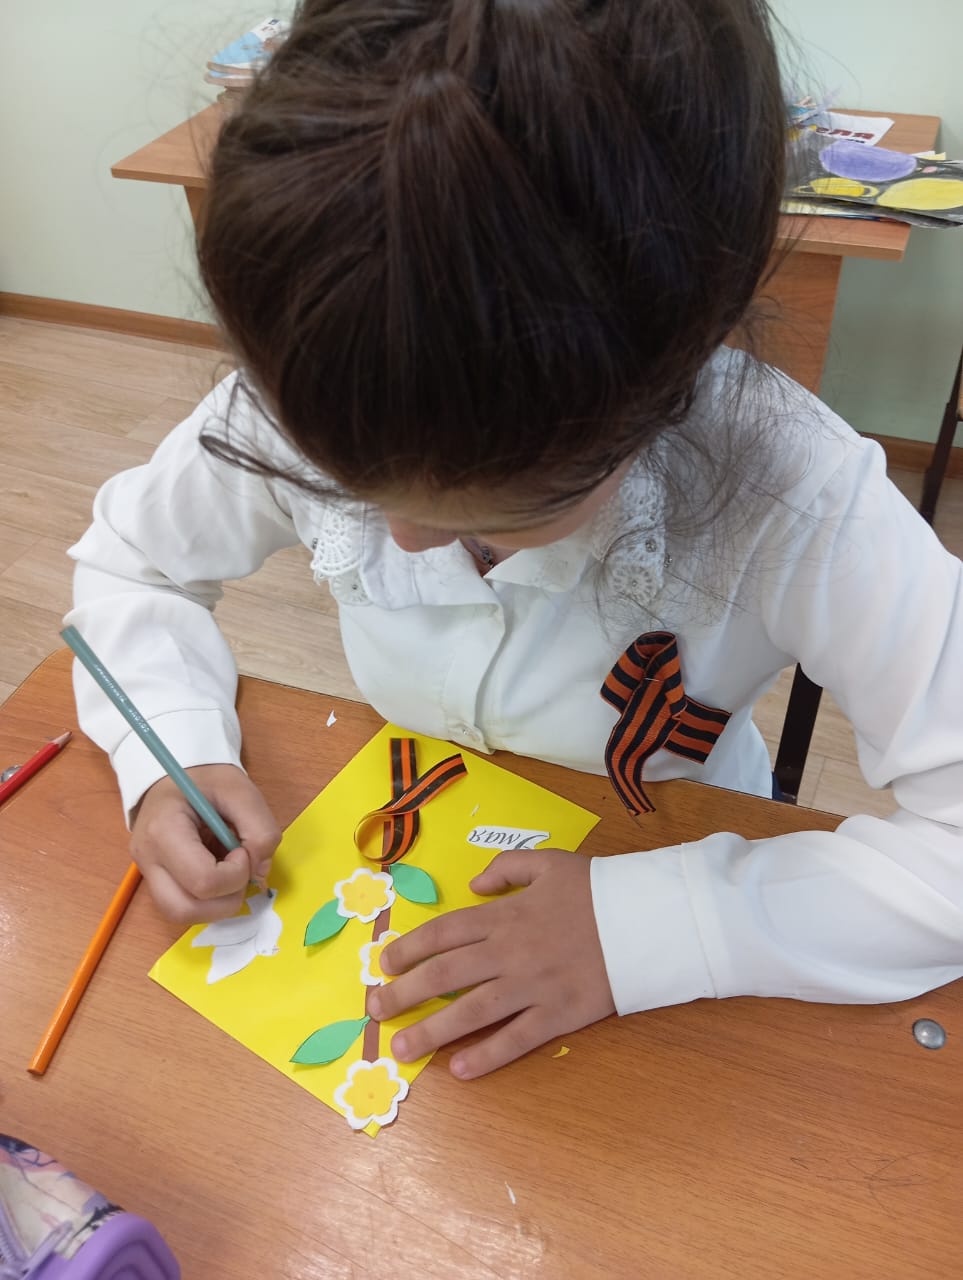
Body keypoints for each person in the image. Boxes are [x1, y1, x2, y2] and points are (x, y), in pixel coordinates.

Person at [67, 0, 963, 1082]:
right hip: (415, 834)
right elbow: (134, 566)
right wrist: (172, 750)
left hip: (658, 877)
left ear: (661, 390)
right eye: (351, 484)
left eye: (497, 511)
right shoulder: (310, 379)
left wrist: (651, 925)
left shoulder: (792, 487)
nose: (404, 541)